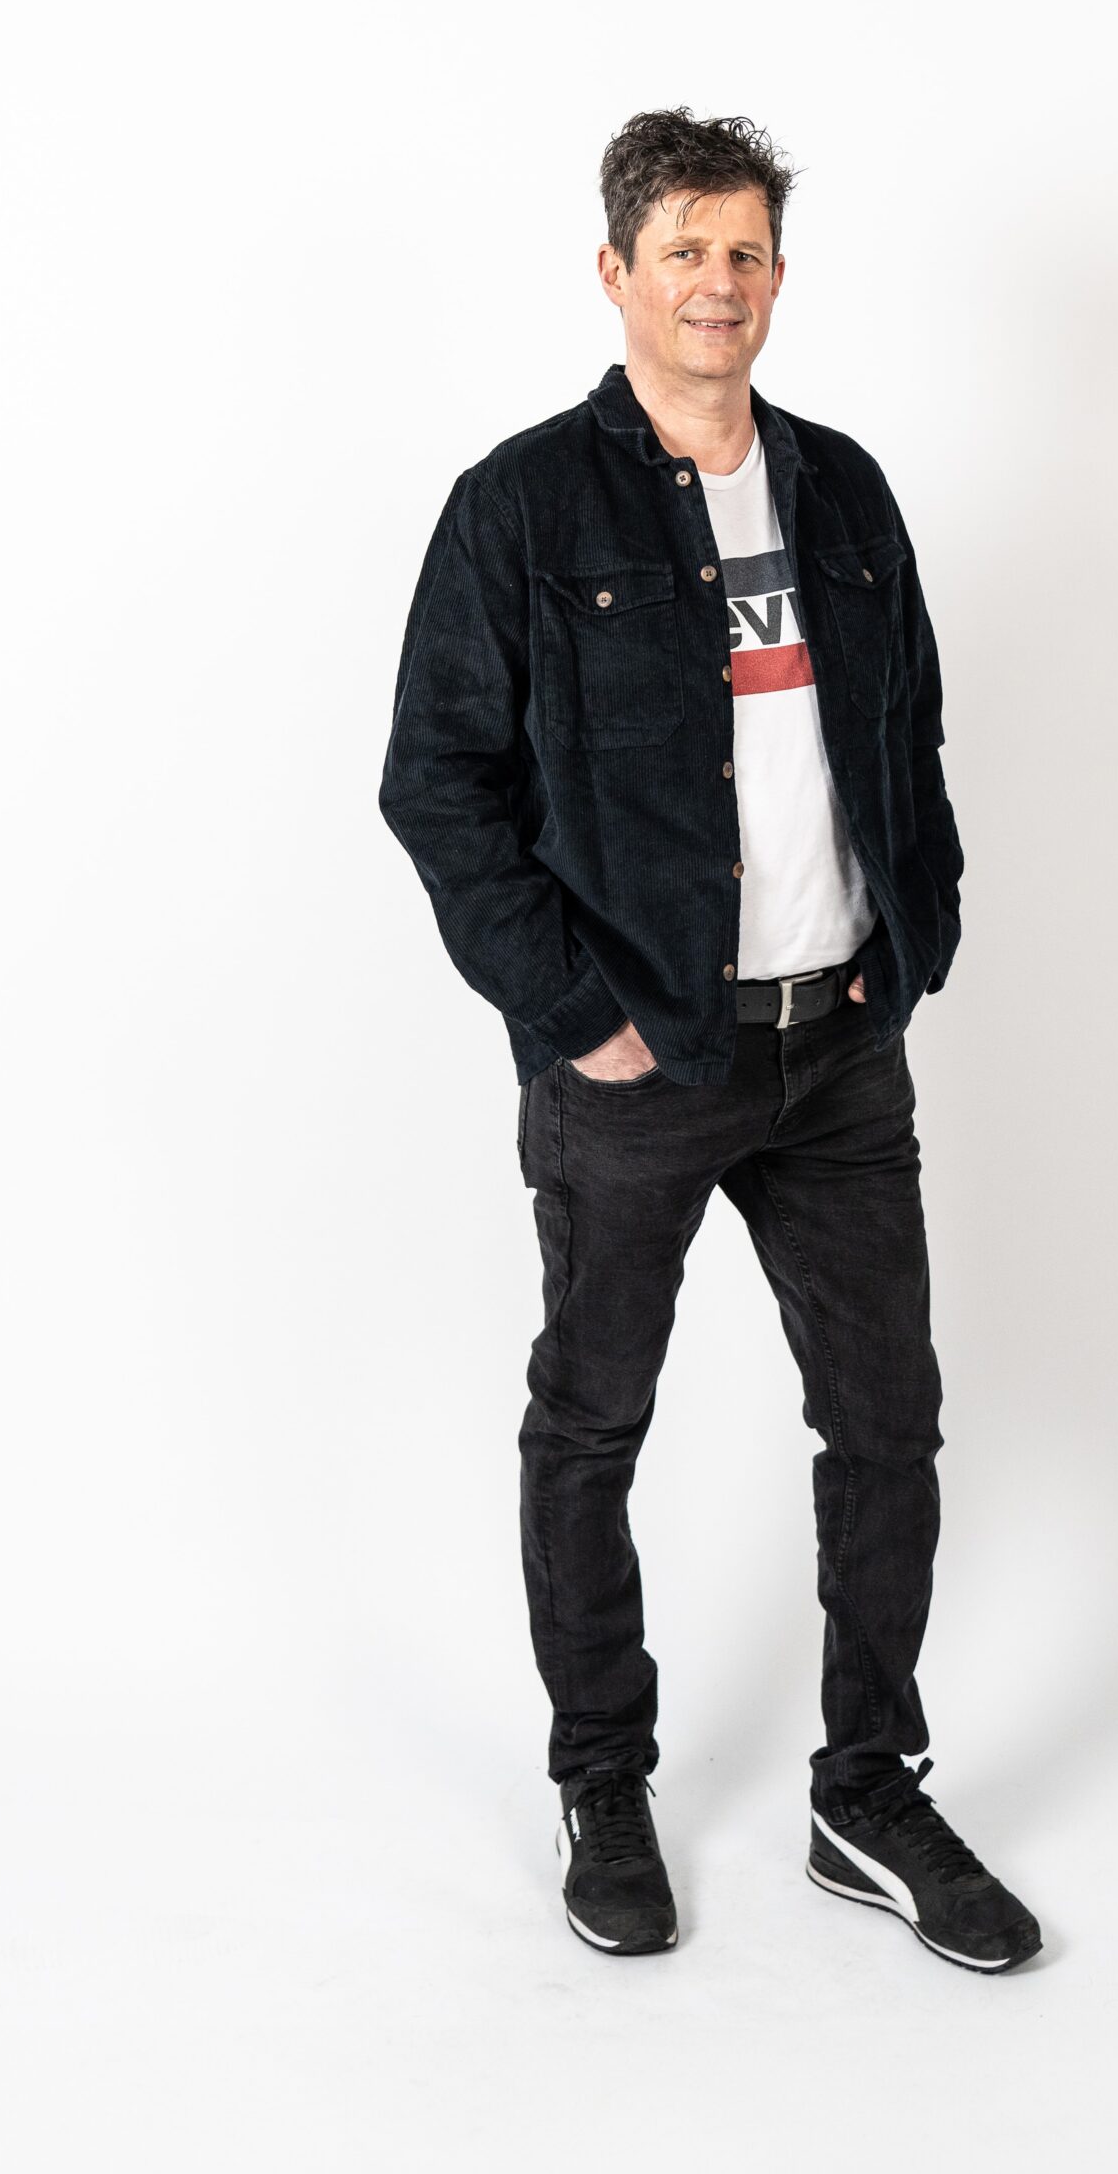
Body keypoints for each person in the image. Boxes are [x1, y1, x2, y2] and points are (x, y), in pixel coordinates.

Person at [379, 107, 1042, 1974]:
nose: (718, 283)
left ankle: (868, 1790)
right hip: (639, 1066)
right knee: (593, 1425)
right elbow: (437, 784)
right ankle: (604, 1781)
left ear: (778, 277)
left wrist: (913, 939)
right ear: (617, 272)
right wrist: (572, 1015)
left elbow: (906, 735)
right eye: (684, 250)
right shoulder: (522, 508)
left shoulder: (844, 491)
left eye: (745, 251)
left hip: (839, 1050)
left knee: (889, 1425)